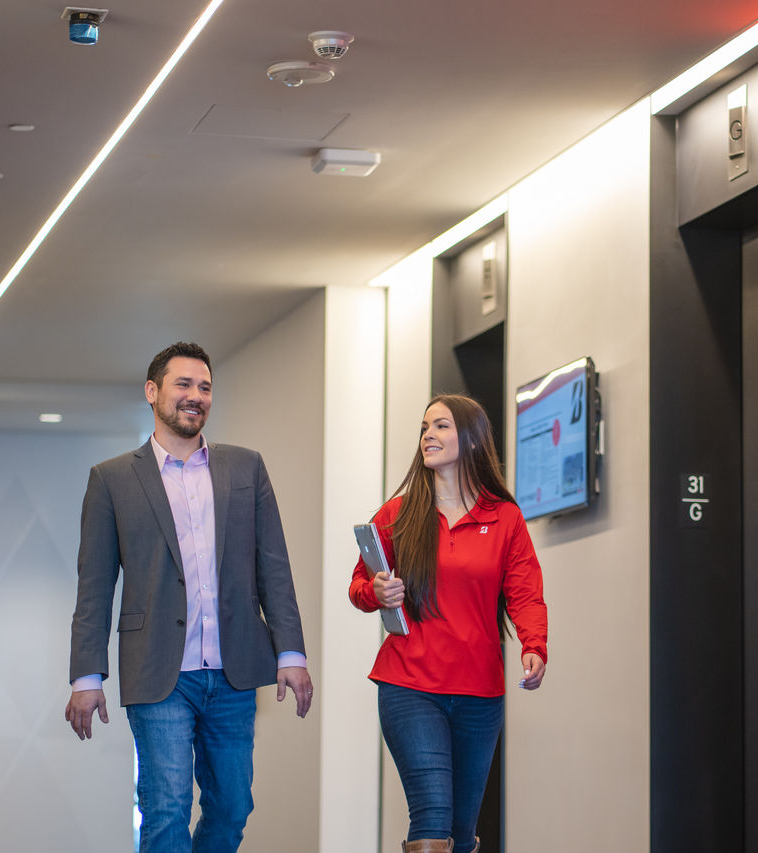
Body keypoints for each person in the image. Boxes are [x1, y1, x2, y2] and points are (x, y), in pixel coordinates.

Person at [65, 341, 313, 853]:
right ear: (152, 392)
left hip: (233, 671)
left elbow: (273, 564)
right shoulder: (112, 479)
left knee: (232, 807)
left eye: (205, 387)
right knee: (166, 809)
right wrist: (86, 677)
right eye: (183, 384)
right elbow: (94, 586)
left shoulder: (246, 468)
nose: (195, 396)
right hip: (159, 673)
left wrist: (290, 652)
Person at [349, 394, 548, 853]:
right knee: (432, 813)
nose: (428, 436)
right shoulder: (397, 515)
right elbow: (359, 585)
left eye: (440, 426)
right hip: (410, 685)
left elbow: (525, 591)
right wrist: (377, 592)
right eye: (424, 428)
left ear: (472, 440)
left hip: (480, 692)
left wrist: (534, 645)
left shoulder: (504, 518)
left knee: (461, 828)